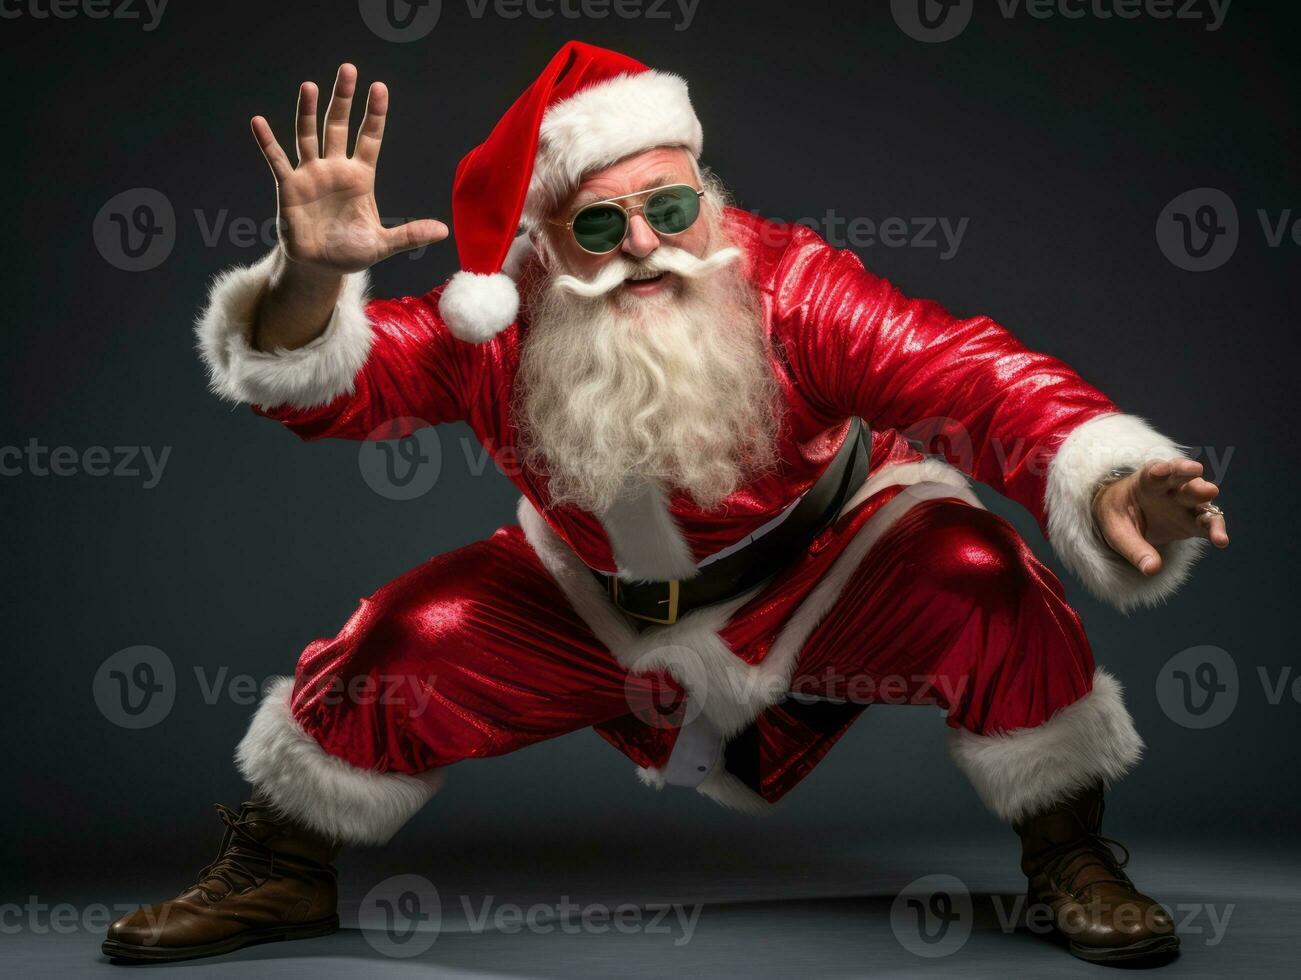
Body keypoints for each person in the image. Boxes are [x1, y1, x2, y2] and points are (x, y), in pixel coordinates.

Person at [104, 41, 1229, 965]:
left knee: (982, 580)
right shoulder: (492, 326)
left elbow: (964, 374)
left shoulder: (794, 286)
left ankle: (1067, 852)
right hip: (596, 607)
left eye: (669, 207)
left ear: (708, 196)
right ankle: (281, 869)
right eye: (598, 226)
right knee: (401, 640)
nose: (643, 245)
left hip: (824, 578)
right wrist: (309, 278)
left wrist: (1104, 468)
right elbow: (333, 385)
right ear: (541, 242)